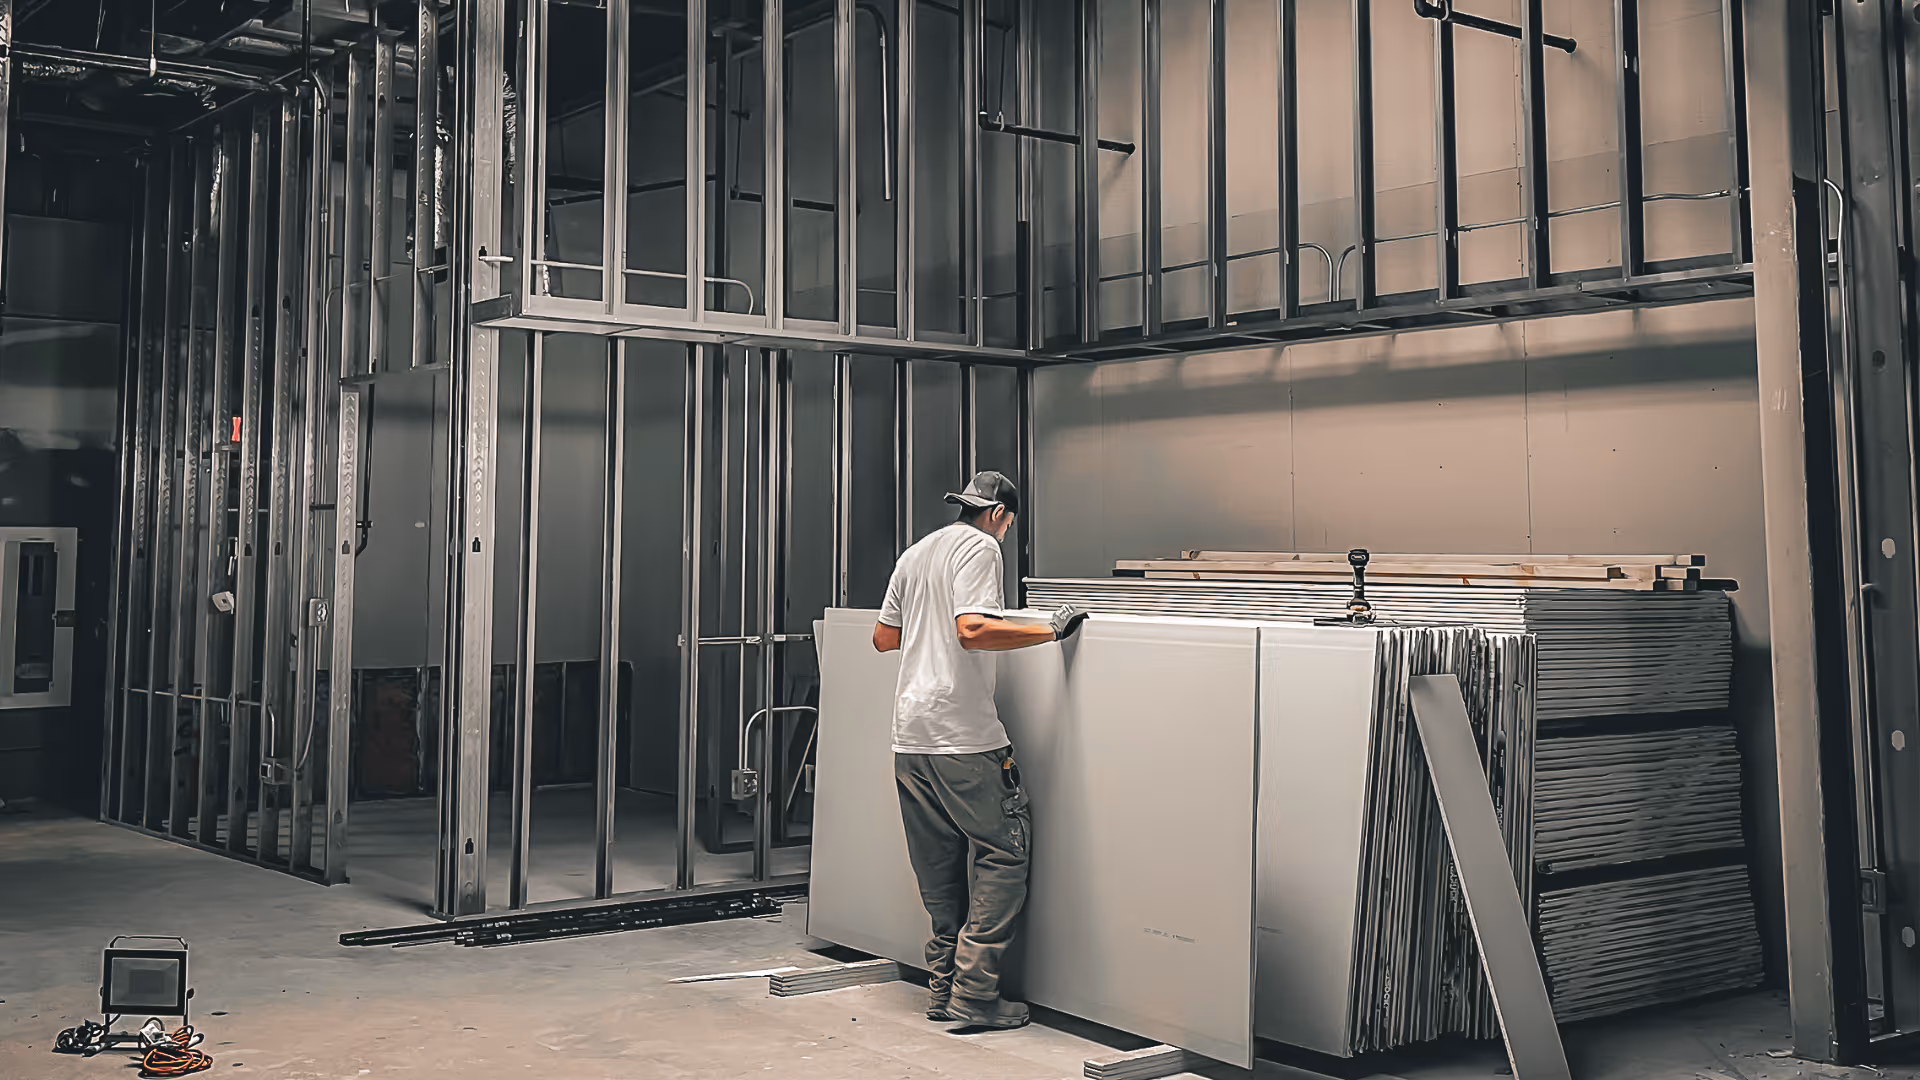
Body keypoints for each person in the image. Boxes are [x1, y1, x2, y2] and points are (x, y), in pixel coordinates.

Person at [871, 470, 1089, 1030]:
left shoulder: (917, 553)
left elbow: (884, 637)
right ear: (998, 515)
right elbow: (972, 629)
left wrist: (929, 636)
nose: (1006, 532)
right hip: (963, 736)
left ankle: (942, 987)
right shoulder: (981, 547)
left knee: (939, 865)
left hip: (910, 736)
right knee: (1003, 852)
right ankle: (974, 993)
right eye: (1008, 523)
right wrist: (1049, 630)